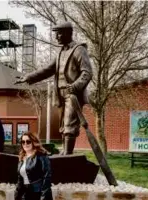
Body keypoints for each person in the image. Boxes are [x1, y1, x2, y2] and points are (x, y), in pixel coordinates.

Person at [15, 22, 93, 155]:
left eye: (59, 33)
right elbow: (47, 70)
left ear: (69, 33)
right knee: (63, 125)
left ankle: (68, 155)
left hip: (72, 94)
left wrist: (75, 86)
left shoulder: (79, 50)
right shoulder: (60, 52)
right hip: (60, 94)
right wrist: (28, 77)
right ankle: (65, 152)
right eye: (56, 33)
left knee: (69, 124)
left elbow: (87, 73)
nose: (57, 37)